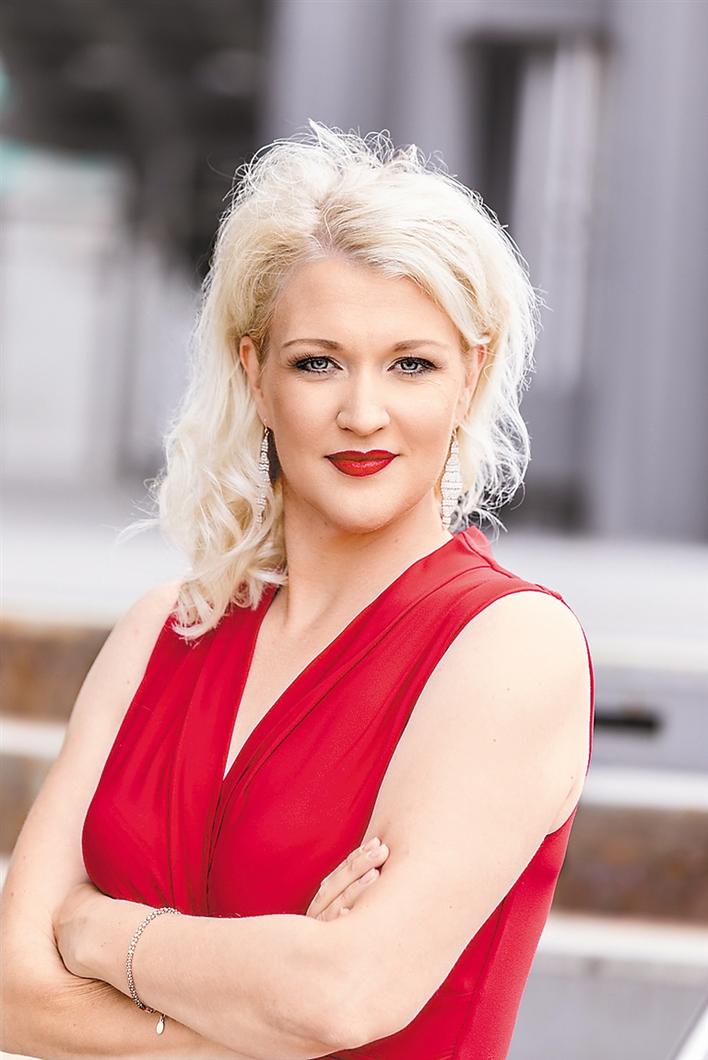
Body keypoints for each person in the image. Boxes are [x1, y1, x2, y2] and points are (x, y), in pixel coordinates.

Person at [0, 120, 594, 1059]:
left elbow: (341, 997)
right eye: (318, 362)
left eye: (411, 364)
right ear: (256, 376)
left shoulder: (510, 644)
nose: (363, 412)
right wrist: (264, 1014)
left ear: (469, 377)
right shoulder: (164, 630)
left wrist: (99, 931)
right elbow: (13, 991)